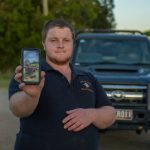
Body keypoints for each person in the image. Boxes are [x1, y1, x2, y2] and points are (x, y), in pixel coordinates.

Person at [8, 19, 116, 150]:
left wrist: (92, 114)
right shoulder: (31, 75)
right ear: (44, 44)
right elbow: (17, 109)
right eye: (53, 40)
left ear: (73, 44)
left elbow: (110, 113)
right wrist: (31, 96)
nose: (60, 45)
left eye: (66, 40)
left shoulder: (88, 77)